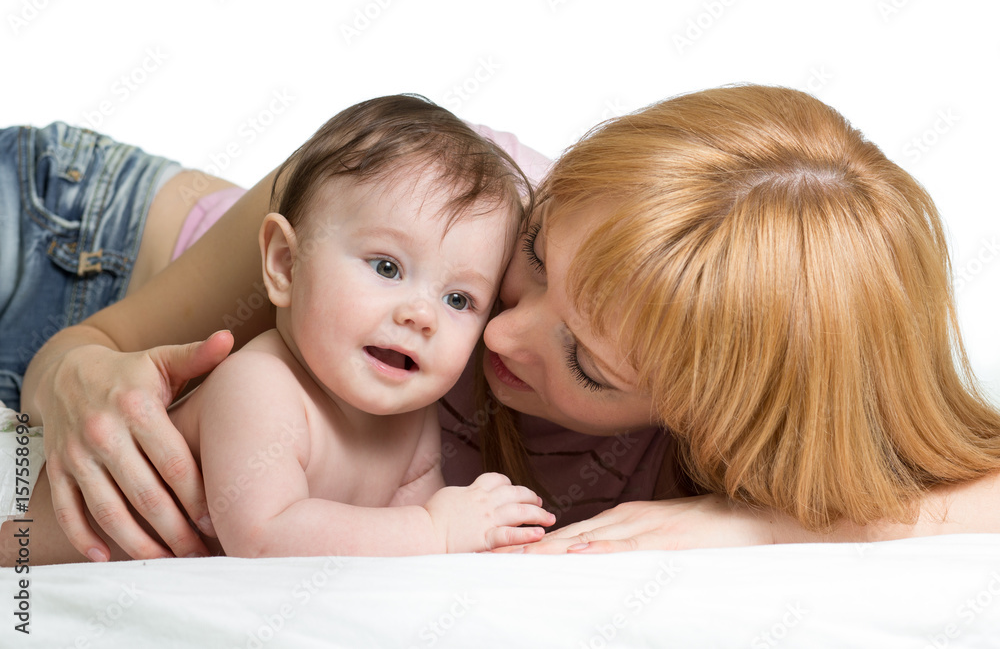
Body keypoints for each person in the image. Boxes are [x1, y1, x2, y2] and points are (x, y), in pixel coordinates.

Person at [9, 85, 1000, 564]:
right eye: (532, 260)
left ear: (708, 416)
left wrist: (746, 520)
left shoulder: (712, 431)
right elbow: (90, 346)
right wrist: (72, 372)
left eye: (588, 362)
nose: (496, 336)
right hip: (75, 237)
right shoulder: (452, 185)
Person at [0, 95, 556, 563]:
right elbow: (265, 539)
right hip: (27, 551)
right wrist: (437, 531)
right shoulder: (258, 386)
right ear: (286, 265)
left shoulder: (412, 415)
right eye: (386, 267)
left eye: (459, 298)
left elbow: (398, 548)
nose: (422, 315)